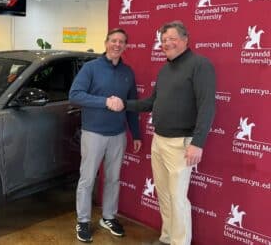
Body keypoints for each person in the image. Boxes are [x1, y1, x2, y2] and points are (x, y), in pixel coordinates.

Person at [110, 21, 216, 245]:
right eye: (164, 40)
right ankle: (167, 238)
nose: (167, 43)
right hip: (159, 140)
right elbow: (151, 102)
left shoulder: (200, 65)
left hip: (182, 144)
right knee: (165, 195)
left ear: (185, 40)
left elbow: (207, 106)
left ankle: (180, 242)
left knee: (178, 199)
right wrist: (124, 104)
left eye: (172, 38)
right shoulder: (165, 68)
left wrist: (198, 143)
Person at [69, 28, 142, 243]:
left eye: (121, 42)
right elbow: (75, 95)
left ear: (125, 46)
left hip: (118, 135)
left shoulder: (128, 72)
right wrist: (104, 102)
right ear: (106, 42)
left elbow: (131, 107)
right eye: (113, 41)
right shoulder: (90, 68)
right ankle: (83, 220)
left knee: (113, 179)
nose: (117, 45)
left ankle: (108, 217)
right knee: (87, 179)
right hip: (93, 134)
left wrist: (136, 134)